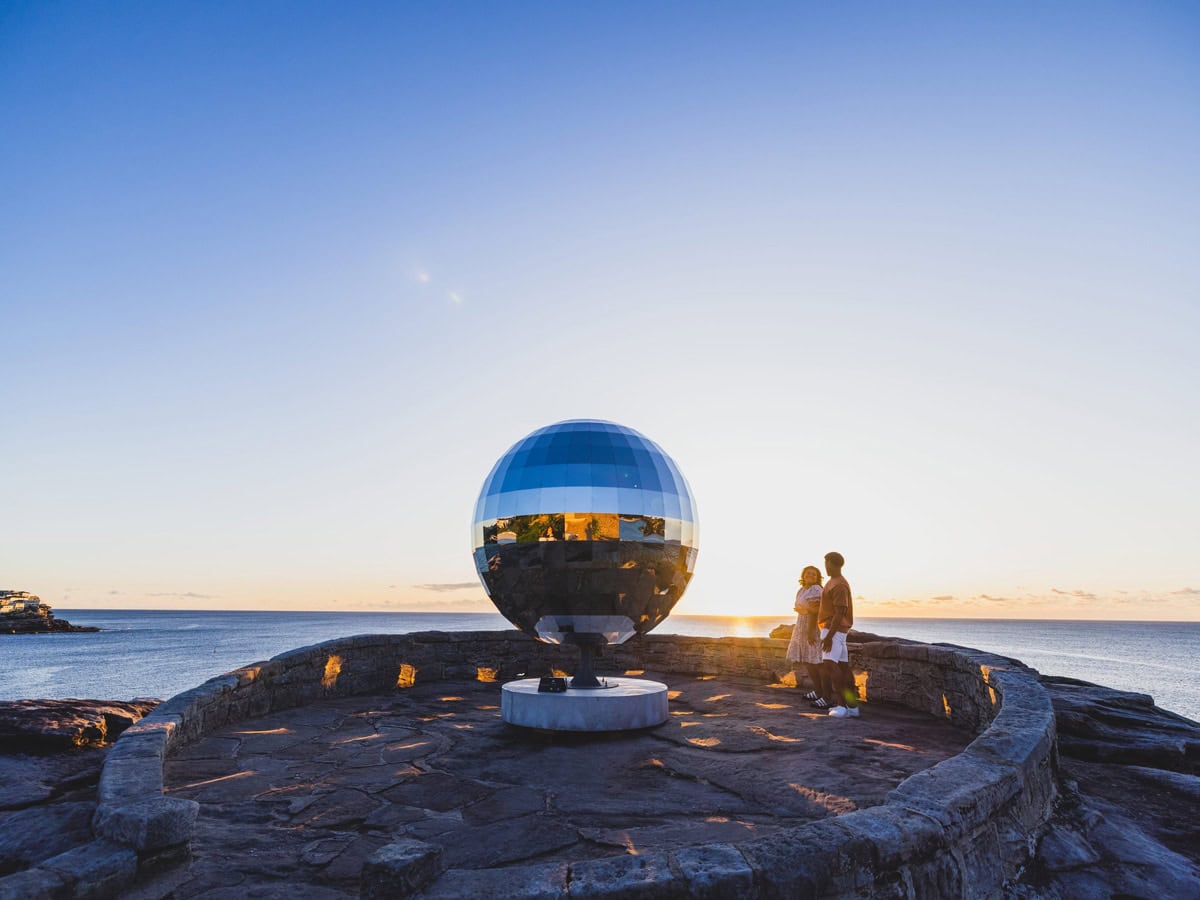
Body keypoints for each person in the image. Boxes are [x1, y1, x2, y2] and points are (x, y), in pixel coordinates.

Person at [818, 551, 860, 718]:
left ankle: (841, 706)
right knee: (843, 668)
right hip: (837, 632)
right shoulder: (833, 582)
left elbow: (840, 612)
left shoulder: (839, 585)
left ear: (832, 563)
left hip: (833, 630)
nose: (825, 567)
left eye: (826, 563)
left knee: (830, 666)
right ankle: (853, 707)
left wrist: (828, 636)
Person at [786, 566, 829, 706]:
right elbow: (804, 609)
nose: (810, 575)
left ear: (818, 578)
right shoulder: (802, 590)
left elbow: (814, 612)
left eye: (814, 574)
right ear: (803, 576)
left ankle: (824, 694)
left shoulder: (816, 590)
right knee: (808, 661)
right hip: (801, 625)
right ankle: (817, 691)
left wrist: (810, 631)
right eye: (808, 573)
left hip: (812, 626)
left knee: (817, 662)